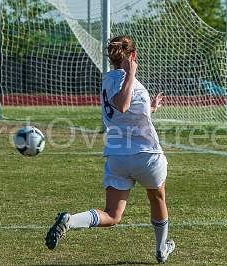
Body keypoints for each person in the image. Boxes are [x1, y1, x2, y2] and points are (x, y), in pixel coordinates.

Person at [45, 36, 175, 264]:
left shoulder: (107, 80)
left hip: (117, 157)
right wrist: (131, 74)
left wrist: (149, 108)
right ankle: (161, 249)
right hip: (146, 155)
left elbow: (124, 112)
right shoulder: (128, 80)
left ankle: (71, 220)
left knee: (113, 215)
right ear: (132, 56)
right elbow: (123, 105)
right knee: (157, 198)